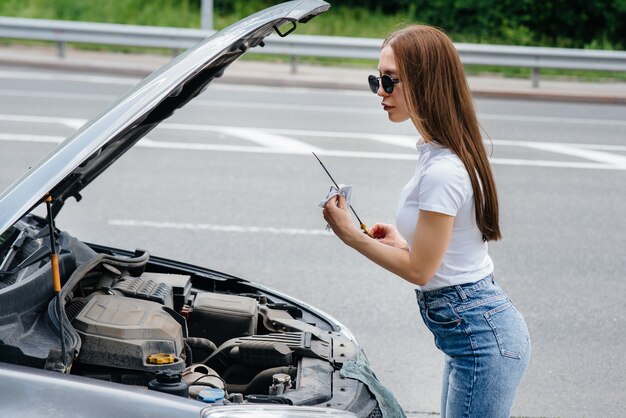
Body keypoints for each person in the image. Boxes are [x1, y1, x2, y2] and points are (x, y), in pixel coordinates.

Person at [322, 25, 530, 418]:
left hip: (482, 340)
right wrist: (402, 242)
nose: (380, 92)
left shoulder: (443, 170)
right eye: (375, 80)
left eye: (389, 81)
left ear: (425, 81)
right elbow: (446, 255)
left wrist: (351, 235)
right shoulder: (435, 151)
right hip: (473, 334)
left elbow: (421, 271)